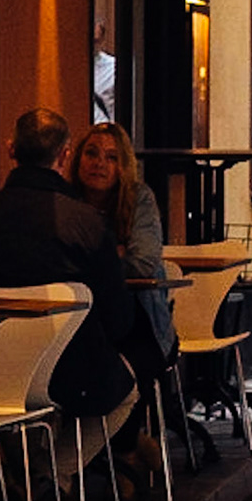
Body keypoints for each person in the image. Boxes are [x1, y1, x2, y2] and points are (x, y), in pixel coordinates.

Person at [0, 108, 136, 484]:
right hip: (62, 371)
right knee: (126, 391)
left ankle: (18, 477)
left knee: (9, 407)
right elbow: (118, 319)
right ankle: (48, 476)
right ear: (64, 155)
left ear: (11, 149)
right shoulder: (87, 223)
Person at [71, 123, 178, 437]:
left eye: (111, 157)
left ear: (123, 166)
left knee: (122, 369)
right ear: (77, 158)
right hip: (82, 322)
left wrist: (94, 260)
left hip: (141, 322)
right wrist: (112, 254)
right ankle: (124, 454)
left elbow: (143, 263)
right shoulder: (66, 202)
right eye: (91, 153)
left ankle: (127, 453)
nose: (99, 163)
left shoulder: (140, 199)